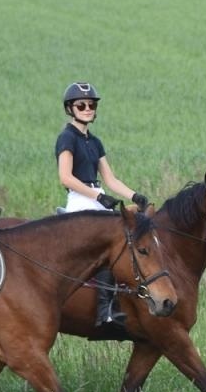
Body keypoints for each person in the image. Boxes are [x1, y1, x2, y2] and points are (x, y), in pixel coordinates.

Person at [55, 81, 150, 327]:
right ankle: (104, 311)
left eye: (91, 105)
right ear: (70, 108)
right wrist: (98, 197)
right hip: (79, 201)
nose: (87, 109)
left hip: (97, 197)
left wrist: (134, 196)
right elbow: (65, 177)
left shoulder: (95, 142)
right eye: (81, 105)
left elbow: (109, 179)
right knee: (108, 246)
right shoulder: (66, 138)